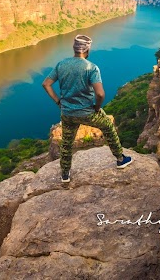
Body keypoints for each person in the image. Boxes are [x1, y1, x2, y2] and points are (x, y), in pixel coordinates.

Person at [42, 34, 132, 183]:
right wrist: (97, 107)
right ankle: (120, 159)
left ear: (74, 48)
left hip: (67, 112)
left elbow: (46, 84)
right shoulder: (91, 68)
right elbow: (100, 93)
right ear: (87, 50)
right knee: (108, 126)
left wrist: (59, 102)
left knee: (66, 142)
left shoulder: (61, 64)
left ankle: (65, 174)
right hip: (88, 112)